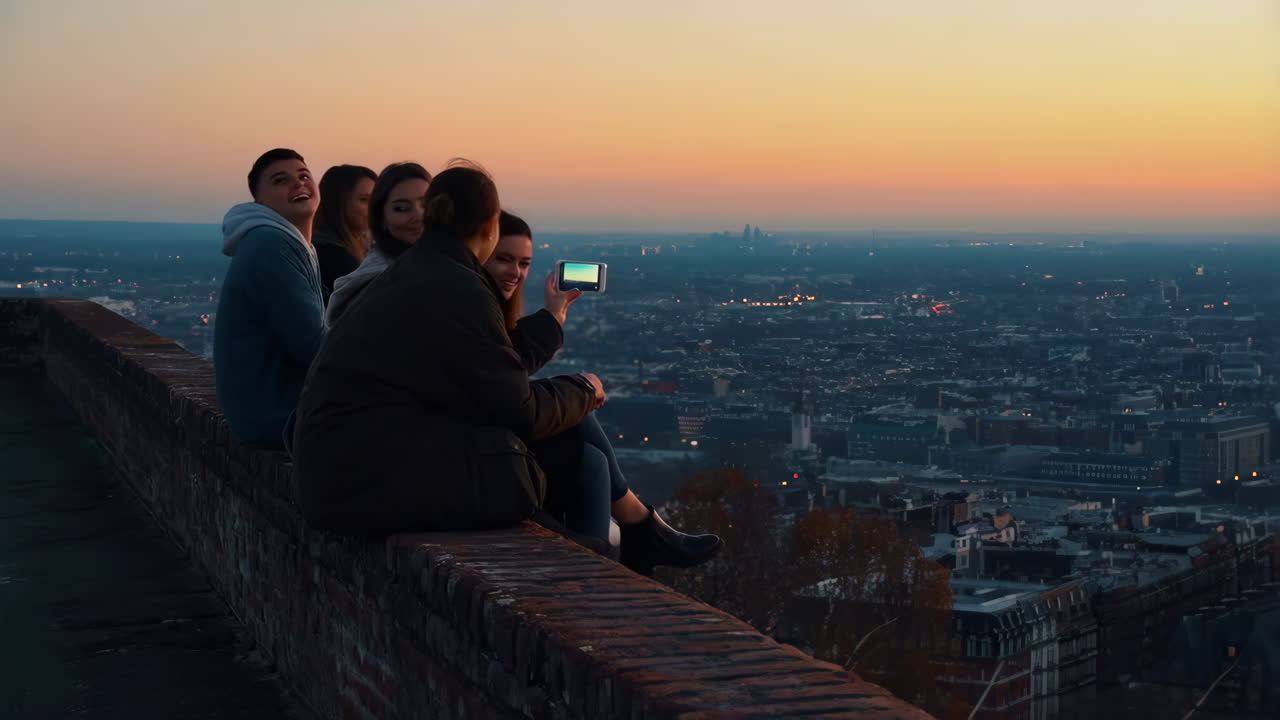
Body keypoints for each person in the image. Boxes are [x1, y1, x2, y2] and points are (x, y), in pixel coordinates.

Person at [292, 163, 604, 537]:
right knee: (541, 456)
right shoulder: (456, 284)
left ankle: (603, 544)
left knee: (545, 451)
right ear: (490, 227)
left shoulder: (414, 271)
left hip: (340, 474)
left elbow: (487, 378)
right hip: (360, 482)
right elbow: (520, 410)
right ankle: (601, 559)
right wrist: (585, 388)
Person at [484, 211, 722, 575]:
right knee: (581, 427)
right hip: (478, 449)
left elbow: (504, 373)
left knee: (589, 450)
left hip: (485, 438)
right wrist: (577, 386)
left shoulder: (480, 307)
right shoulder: (472, 309)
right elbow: (505, 387)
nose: (515, 272)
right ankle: (637, 531)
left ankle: (636, 531)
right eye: (503, 259)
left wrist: (553, 315)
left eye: (524, 262)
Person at [214, 148, 325, 449]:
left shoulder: (285, 242)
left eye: (304, 176)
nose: (299, 184)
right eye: (281, 180)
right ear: (260, 201)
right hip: (276, 417)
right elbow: (315, 344)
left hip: (266, 412)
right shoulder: (271, 245)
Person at [325, 162, 431, 326]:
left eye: (426, 204)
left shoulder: (435, 265)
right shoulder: (376, 285)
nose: (418, 216)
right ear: (381, 218)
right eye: (402, 208)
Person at [312, 164, 377, 303]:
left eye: (376, 200)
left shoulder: (365, 249)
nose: (373, 208)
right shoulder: (333, 257)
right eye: (364, 200)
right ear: (338, 202)